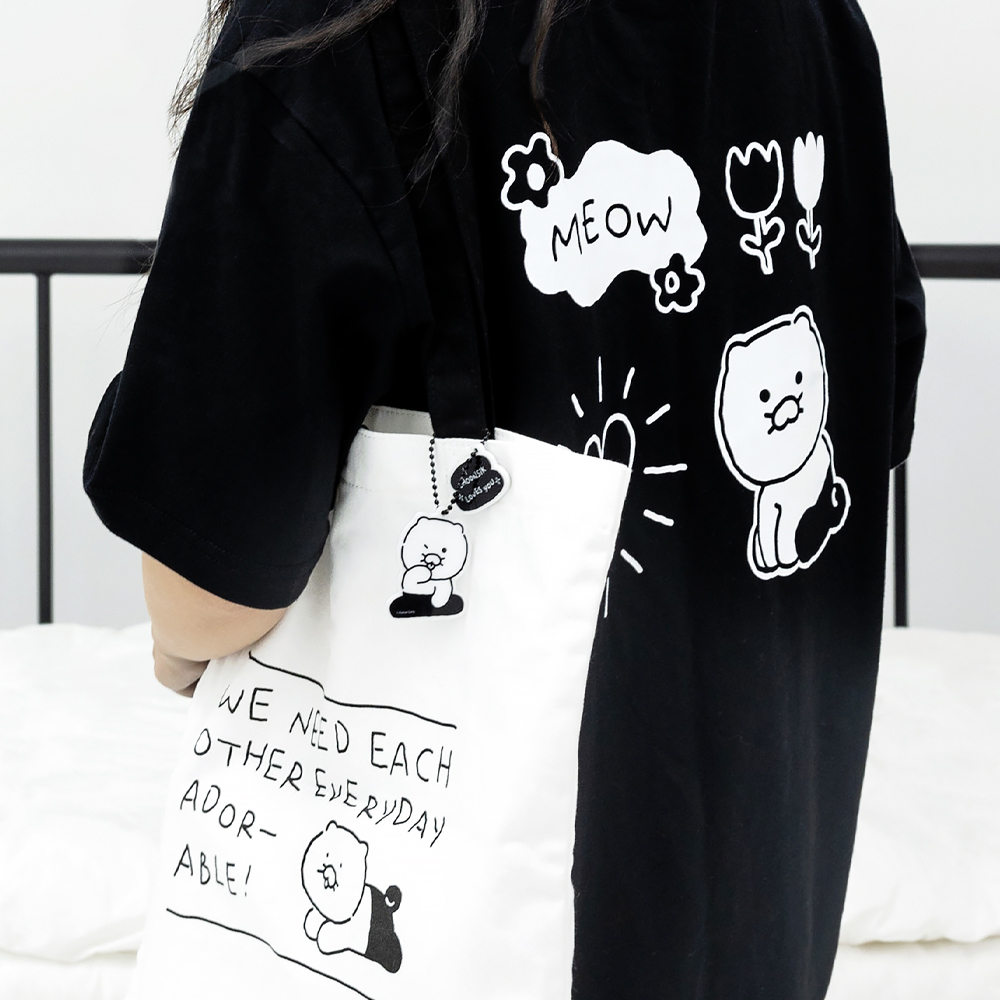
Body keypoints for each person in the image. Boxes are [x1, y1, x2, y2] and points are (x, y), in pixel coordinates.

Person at [84, 0, 926, 997]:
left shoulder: (335, 33)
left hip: (508, 920)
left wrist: (179, 640)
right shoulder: (814, 21)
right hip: (761, 889)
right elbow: (873, 383)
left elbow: (214, 572)